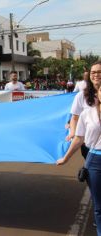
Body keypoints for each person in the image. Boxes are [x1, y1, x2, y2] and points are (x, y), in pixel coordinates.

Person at [56, 84, 101, 235]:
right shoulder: (87, 114)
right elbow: (79, 138)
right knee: (99, 203)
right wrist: (66, 158)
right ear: (97, 95)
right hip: (94, 158)